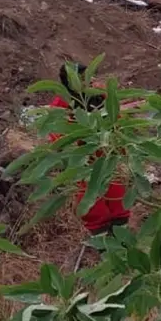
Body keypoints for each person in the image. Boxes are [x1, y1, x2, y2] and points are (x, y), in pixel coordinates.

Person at [48, 64, 132, 236]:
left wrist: (120, 143)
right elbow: (57, 134)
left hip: (108, 150)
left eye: (89, 76)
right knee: (90, 196)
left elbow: (116, 116)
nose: (90, 79)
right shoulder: (61, 103)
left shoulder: (99, 93)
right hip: (83, 156)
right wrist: (75, 154)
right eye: (83, 76)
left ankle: (121, 235)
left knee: (116, 188)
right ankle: (101, 238)